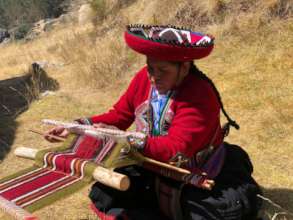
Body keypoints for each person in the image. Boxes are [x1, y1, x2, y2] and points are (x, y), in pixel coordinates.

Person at [45, 24, 262, 220]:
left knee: (213, 211)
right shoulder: (144, 78)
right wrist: (76, 128)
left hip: (193, 170)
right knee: (105, 194)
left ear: (184, 68)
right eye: (150, 67)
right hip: (151, 163)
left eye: (163, 70)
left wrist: (122, 139)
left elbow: (176, 149)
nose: (153, 77)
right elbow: (120, 115)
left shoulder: (199, 94)